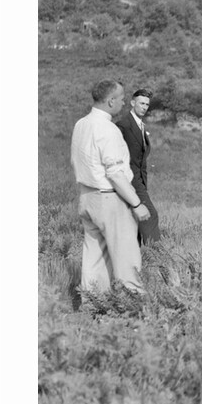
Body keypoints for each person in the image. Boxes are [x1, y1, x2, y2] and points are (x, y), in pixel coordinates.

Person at [70, 80, 150, 295]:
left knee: (94, 260)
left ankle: (95, 309)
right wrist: (136, 203)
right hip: (109, 198)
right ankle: (133, 312)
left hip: (87, 197)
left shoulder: (81, 124)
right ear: (111, 100)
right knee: (127, 260)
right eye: (122, 98)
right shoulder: (108, 129)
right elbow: (115, 172)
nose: (124, 103)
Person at [115, 88, 161, 244]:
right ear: (132, 103)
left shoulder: (142, 126)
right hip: (129, 180)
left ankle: (137, 260)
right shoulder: (123, 125)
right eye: (141, 103)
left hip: (140, 180)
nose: (144, 107)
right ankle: (157, 256)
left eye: (147, 104)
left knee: (133, 220)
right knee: (150, 214)